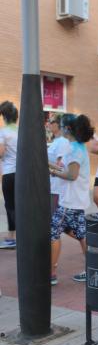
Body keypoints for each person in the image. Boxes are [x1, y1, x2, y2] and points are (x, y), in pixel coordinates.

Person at [49, 114, 95, 285]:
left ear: (67, 129)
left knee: (52, 232)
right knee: (82, 234)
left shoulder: (74, 149)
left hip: (69, 201)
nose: (59, 128)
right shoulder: (77, 146)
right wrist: (50, 165)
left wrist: (53, 172)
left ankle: (51, 274)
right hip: (77, 200)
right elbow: (67, 169)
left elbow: (72, 175)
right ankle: (93, 268)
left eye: (60, 125)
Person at [0, 101, 19, 248]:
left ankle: (13, 238)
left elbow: (1, 153)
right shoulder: (21, 131)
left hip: (9, 173)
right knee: (20, 205)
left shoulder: (3, 132)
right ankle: (17, 236)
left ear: (4, 116)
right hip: (22, 174)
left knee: (10, 205)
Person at [47, 114, 72, 214]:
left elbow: (61, 167)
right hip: (53, 186)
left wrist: (42, 161)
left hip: (58, 188)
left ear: (59, 124)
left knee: (55, 221)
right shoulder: (56, 141)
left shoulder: (62, 141)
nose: (48, 123)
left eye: (51, 121)